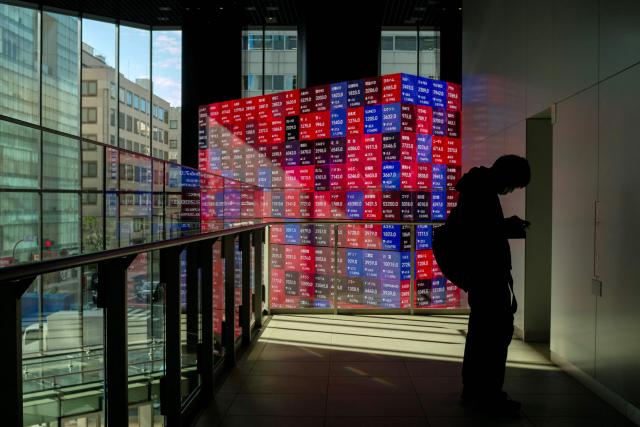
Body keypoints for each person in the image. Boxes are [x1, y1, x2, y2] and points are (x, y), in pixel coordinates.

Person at [455, 155, 531, 414]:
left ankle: (474, 388)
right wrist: (508, 226)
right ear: (506, 175)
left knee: (480, 332)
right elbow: (482, 232)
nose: (509, 191)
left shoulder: (475, 186)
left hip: (480, 274)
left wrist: (504, 225)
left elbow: (478, 229)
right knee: (495, 335)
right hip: (488, 274)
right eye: (513, 185)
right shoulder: (481, 191)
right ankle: (489, 394)